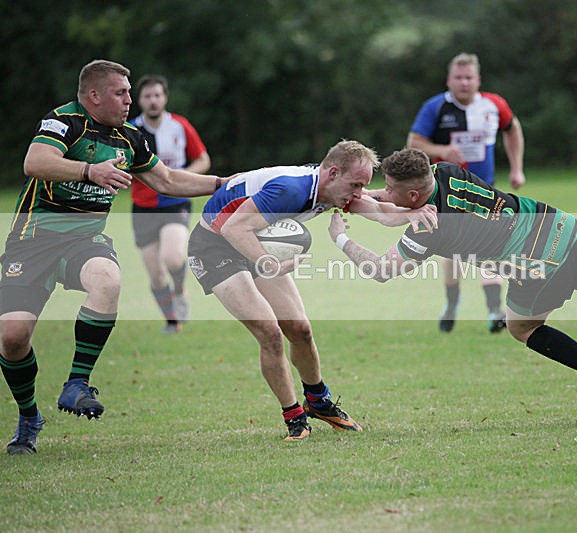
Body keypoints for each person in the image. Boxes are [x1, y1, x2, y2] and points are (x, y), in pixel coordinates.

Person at [329, 148, 577, 421]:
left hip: (538, 264)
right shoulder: (444, 170)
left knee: (521, 327)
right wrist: (359, 196)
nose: (383, 191)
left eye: (389, 186)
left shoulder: (430, 229)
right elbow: (389, 206)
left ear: (413, 196)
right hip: (563, 226)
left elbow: (381, 268)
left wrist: (341, 239)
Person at [0, 60, 225, 455]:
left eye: (129, 93)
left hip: (84, 240)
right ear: (94, 96)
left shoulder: (131, 138)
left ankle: (77, 384)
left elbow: (168, 180)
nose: (129, 101)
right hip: (32, 241)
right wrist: (90, 171)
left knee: (108, 279)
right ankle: (29, 415)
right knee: (12, 338)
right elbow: (34, 163)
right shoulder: (63, 121)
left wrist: (224, 183)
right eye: (121, 93)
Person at [187, 140, 436, 441]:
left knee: (300, 330)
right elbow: (232, 228)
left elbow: (379, 210)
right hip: (214, 247)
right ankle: (294, 418)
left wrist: (410, 214)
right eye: (356, 185)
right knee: (269, 332)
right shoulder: (291, 190)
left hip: (255, 238)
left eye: (363, 185)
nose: (359, 193)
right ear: (333, 173)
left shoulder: (333, 190)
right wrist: (268, 263)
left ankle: (318, 402)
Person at [408, 52, 526, 334]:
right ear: (449, 80)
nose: (464, 82)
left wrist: (517, 168)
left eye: (469, 77)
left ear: (478, 80)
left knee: (491, 245)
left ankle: (495, 310)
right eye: (458, 77)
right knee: (452, 252)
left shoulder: (494, 105)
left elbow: (512, 129)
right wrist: (442, 151)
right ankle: (452, 302)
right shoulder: (435, 108)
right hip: (446, 192)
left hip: (485, 190)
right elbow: (413, 143)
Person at [130, 75, 211, 334]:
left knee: (173, 258)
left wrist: (181, 176)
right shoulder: (129, 131)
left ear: (165, 98)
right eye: (147, 96)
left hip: (175, 202)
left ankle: (180, 291)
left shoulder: (180, 125)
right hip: (143, 207)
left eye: (157, 95)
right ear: (139, 100)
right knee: (155, 275)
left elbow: (203, 159)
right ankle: (172, 321)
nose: (153, 101)